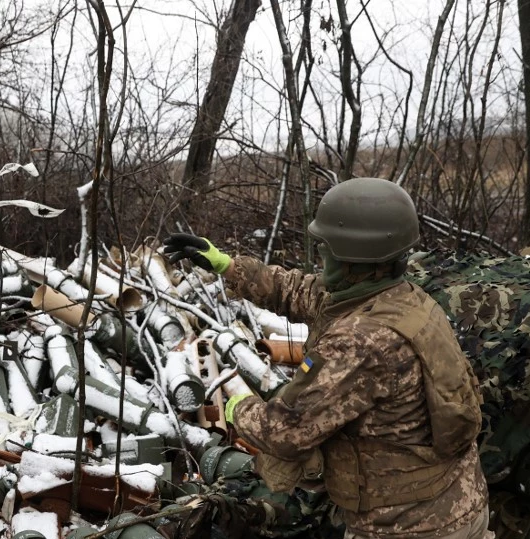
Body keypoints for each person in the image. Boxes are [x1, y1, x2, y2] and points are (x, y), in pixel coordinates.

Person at [163, 177, 492, 538]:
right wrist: (226, 264)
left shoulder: (362, 341)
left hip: (408, 526)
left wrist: (236, 407)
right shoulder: (401, 299)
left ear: (352, 258)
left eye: (324, 248)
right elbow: (299, 291)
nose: (319, 258)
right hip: (455, 502)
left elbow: (285, 431)